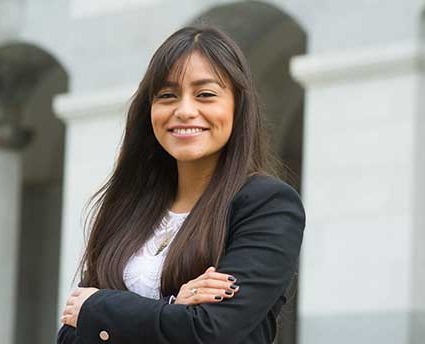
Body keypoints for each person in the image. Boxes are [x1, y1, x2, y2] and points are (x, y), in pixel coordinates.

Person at [56, 25, 305, 344]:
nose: (185, 111)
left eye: (205, 94)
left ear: (237, 106)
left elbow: (212, 331)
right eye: (167, 96)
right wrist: (174, 309)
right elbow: (69, 335)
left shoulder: (267, 204)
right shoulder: (129, 206)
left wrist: (100, 308)